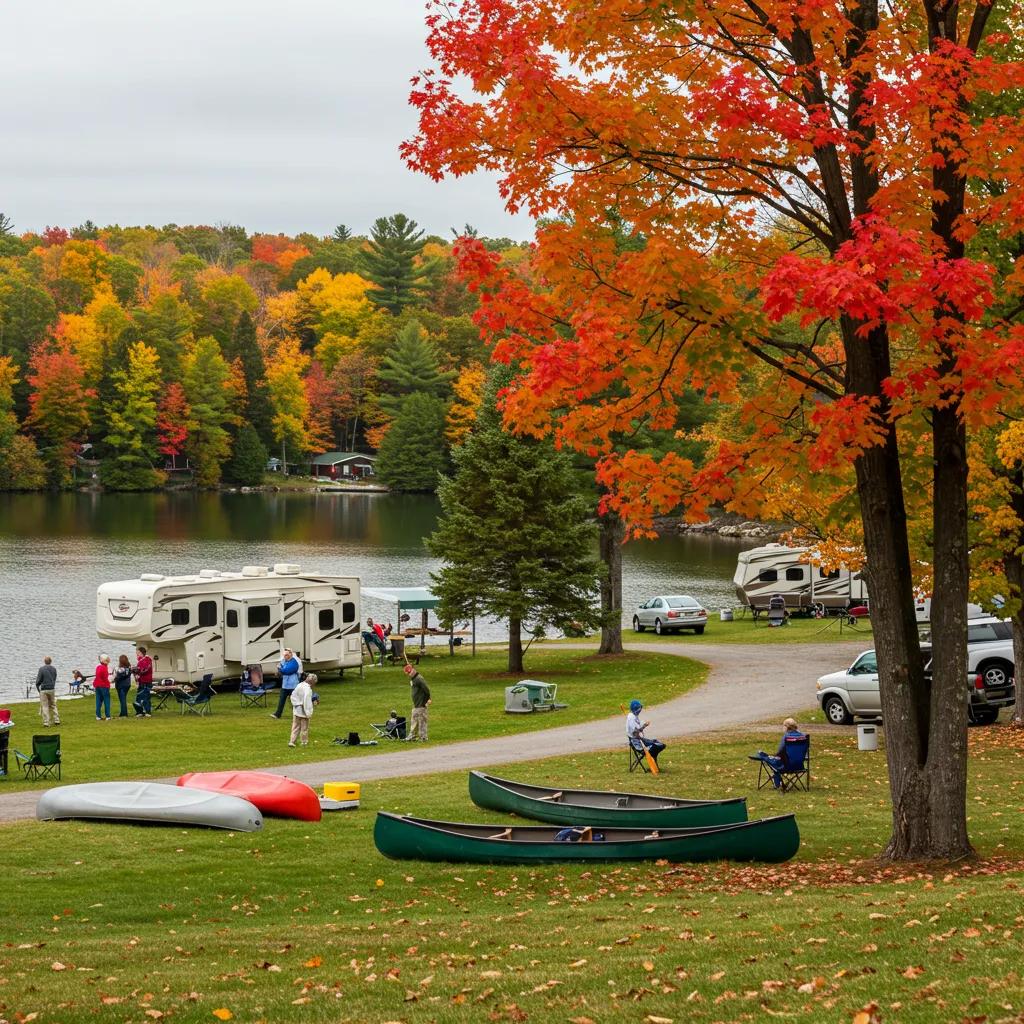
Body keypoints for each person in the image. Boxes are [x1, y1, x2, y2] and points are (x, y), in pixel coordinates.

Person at [752, 718, 803, 789]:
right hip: (799, 765)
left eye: (783, 726)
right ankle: (763, 756)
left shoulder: (787, 737)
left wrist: (775, 757)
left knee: (771, 761)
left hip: (786, 766)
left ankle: (777, 783)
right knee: (774, 760)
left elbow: (780, 751)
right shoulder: (803, 736)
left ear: (786, 727)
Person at [626, 699, 666, 765]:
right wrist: (643, 727)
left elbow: (637, 729)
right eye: (639, 709)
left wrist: (643, 726)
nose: (640, 711)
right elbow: (635, 733)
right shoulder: (631, 718)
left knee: (659, 744)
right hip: (637, 743)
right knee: (655, 747)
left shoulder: (634, 716)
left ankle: (654, 760)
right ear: (635, 709)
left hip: (640, 740)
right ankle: (653, 762)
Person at [288, 672, 316, 747]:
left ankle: (292, 741)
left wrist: (296, 704)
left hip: (297, 710)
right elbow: (306, 702)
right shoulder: (308, 689)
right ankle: (304, 742)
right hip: (304, 712)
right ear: (312, 681)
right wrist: (308, 713)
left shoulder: (299, 685)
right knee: (304, 728)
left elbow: (293, 696)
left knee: (295, 727)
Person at [271, 648, 300, 719]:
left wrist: (280, 670)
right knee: (281, 700)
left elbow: (287, 671)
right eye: (284, 655)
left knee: (294, 701)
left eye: (286, 655)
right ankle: (277, 714)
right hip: (285, 685)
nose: (285, 656)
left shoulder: (294, 662)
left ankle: (298, 715)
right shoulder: (284, 661)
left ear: (291, 654)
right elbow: (280, 668)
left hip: (293, 685)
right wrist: (279, 671)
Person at [405, 663, 431, 741]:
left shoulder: (419, 679)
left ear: (412, 671)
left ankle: (423, 737)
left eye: (409, 673)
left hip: (421, 704)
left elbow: (426, 690)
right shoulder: (413, 679)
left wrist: (426, 700)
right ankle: (412, 736)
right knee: (414, 720)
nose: (409, 675)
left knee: (422, 721)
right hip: (416, 704)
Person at [35, 656, 60, 727]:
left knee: (45, 706)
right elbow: (54, 678)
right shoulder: (54, 669)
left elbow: (38, 680)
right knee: (53, 704)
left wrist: (38, 687)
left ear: (44, 661)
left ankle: (46, 722)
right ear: (50, 661)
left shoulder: (41, 669)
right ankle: (57, 720)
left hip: (44, 689)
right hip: (52, 688)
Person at [133, 645, 154, 717]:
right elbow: (140, 669)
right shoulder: (141, 660)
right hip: (142, 681)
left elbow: (145, 670)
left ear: (141, 652)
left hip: (146, 681)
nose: (136, 654)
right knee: (140, 696)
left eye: (137, 652)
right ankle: (140, 712)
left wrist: (138, 672)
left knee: (145, 696)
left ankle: (147, 712)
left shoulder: (147, 660)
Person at [94, 655, 112, 721]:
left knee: (98, 701)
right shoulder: (104, 668)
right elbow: (105, 678)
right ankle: (108, 716)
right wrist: (109, 683)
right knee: (106, 700)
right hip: (104, 686)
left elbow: (98, 676)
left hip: (97, 686)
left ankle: (98, 716)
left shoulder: (98, 667)